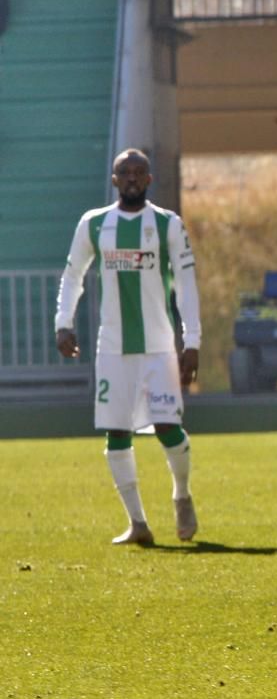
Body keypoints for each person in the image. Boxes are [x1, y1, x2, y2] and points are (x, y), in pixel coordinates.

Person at [54, 148, 202, 546]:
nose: (133, 178)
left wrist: (193, 342)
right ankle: (138, 524)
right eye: (125, 173)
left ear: (149, 180)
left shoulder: (167, 224)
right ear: (115, 180)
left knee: (168, 426)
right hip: (113, 348)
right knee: (116, 432)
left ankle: (182, 494)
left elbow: (186, 285)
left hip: (158, 348)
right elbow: (73, 276)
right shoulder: (95, 224)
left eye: (140, 172)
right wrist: (62, 324)